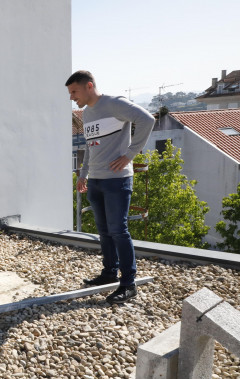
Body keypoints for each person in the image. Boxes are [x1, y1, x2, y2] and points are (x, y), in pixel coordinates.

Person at [66, 70, 155, 303]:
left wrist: (130, 155)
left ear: (89, 86)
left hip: (117, 180)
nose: (71, 97)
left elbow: (147, 120)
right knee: (104, 231)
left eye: (74, 91)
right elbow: (90, 146)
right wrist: (83, 174)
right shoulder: (86, 114)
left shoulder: (115, 104)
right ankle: (108, 274)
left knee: (118, 230)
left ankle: (128, 284)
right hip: (95, 180)